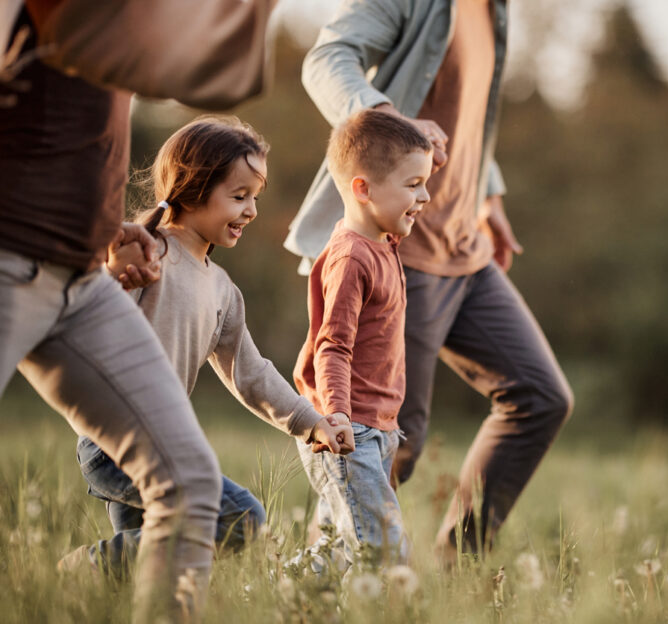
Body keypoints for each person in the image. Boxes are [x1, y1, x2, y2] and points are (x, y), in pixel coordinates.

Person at [1, 2, 277, 620]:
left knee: (192, 490)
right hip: (11, 259)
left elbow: (210, 73)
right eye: (238, 194)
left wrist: (108, 228)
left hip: (78, 276)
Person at [283, 0, 574, 560]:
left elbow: (468, 116)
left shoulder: (495, 12)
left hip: (467, 247)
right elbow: (326, 57)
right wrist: (388, 117)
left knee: (540, 397)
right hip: (398, 255)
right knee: (388, 441)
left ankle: (457, 567)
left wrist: (487, 195)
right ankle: (324, 587)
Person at [62, 115, 356, 578]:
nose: (252, 211)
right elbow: (90, 319)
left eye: (254, 198)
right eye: (239, 197)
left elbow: (251, 373)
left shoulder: (222, 291)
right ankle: (84, 568)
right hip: (114, 441)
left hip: (158, 441)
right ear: (193, 189)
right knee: (240, 519)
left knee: (149, 577)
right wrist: (114, 271)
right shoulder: (148, 253)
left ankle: (94, 581)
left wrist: (311, 423)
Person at [293, 109, 432, 568]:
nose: (425, 196)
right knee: (385, 556)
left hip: (378, 428)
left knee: (335, 552)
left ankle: (280, 603)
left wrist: (412, 175)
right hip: (350, 430)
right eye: (414, 185)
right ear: (363, 189)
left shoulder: (383, 240)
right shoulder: (352, 257)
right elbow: (332, 345)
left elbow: (396, 173)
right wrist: (336, 416)